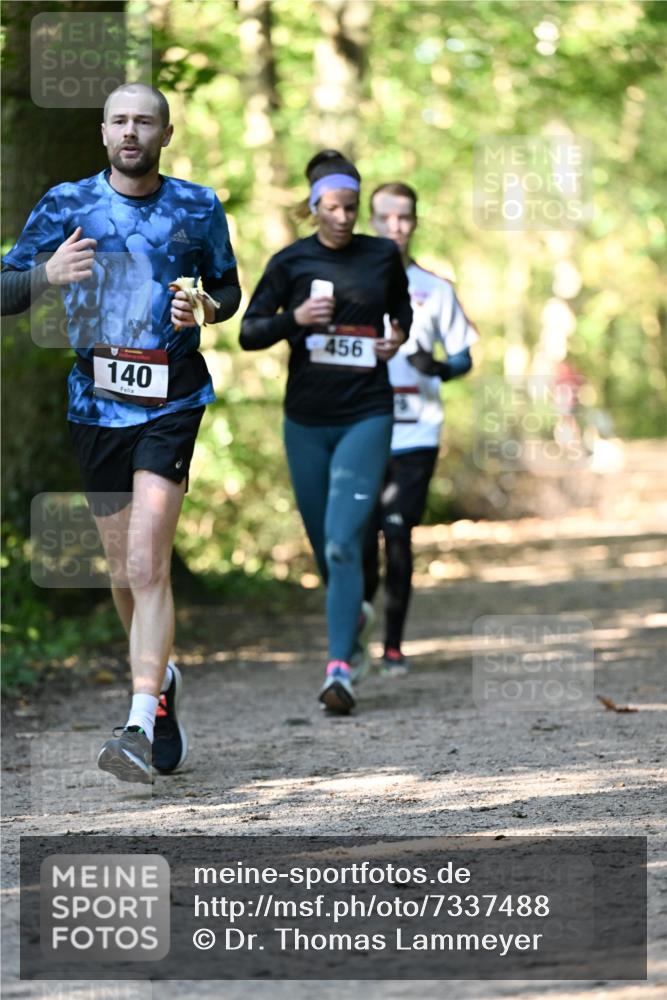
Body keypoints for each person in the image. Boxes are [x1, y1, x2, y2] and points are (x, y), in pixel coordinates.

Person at [1, 83, 241, 782]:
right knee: (121, 569)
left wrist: (205, 307)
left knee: (146, 562)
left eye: (144, 121)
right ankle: (160, 677)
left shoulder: (198, 206)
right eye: (120, 121)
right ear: (104, 133)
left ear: (166, 134)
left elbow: (227, 290)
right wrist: (46, 274)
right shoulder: (66, 204)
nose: (131, 131)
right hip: (96, 406)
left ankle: (138, 721)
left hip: (173, 399)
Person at [239, 150, 412, 714]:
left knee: (343, 543)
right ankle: (353, 614)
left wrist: (395, 339)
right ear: (314, 207)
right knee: (326, 548)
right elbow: (248, 333)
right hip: (306, 422)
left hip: (367, 413)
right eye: (332, 208)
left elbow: (401, 314)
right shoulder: (290, 262)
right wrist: (295, 319)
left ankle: (340, 668)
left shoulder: (381, 256)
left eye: (351, 208)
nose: (342, 218)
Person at [357, 182, 478, 678]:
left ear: (415, 223)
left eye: (404, 218)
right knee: (359, 540)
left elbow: (464, 357)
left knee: (398, 532)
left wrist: (440, 368)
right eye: (385, 218)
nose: (395, 227)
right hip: (360, 429)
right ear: (370, 222)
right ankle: (354, 642)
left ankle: (393, 647)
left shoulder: (436, 289)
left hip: (416, 433)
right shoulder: (350, 282)